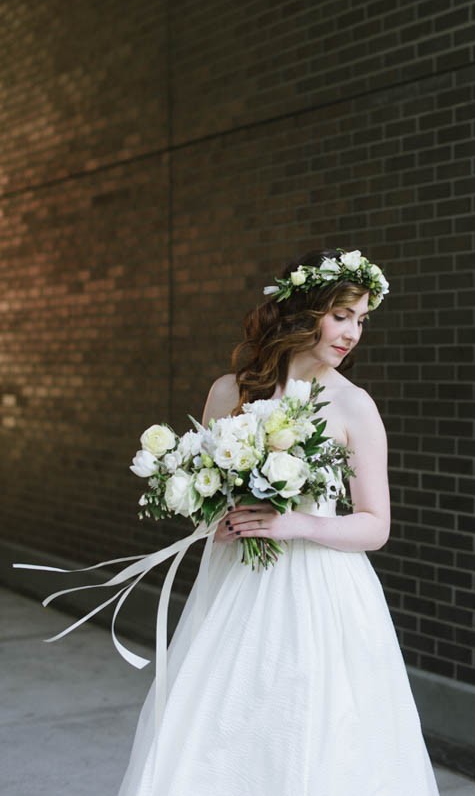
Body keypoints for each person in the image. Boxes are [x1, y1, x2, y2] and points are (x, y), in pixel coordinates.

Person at [118, 248, 440, 796]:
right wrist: (220, 520)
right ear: (303, 311)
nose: (352, 333)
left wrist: (300, 525)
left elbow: (374, 525)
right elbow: (213, 507)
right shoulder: (231, 391)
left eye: (362, 319)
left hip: (321, 596)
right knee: (221, 728)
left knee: (316, 734)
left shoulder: (354, 406)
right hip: (235, 590)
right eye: (341, 315)